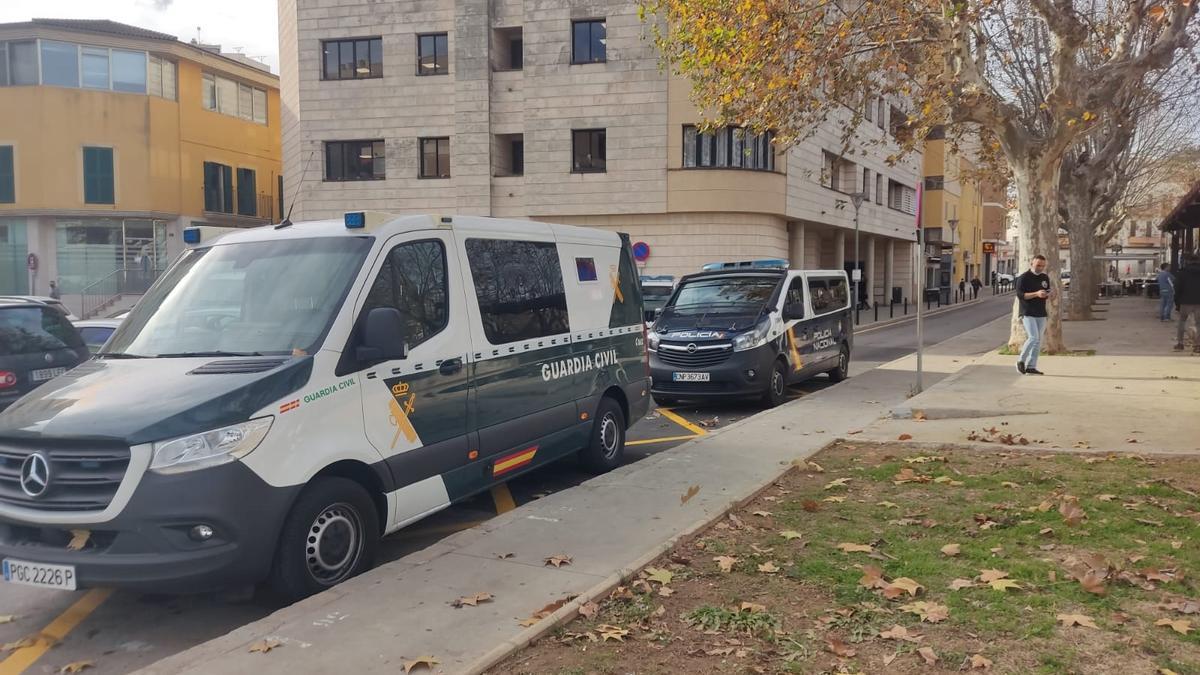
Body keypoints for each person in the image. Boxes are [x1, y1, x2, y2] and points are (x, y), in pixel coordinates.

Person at [1015, 255, 1052, 375]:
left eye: (1042, 265)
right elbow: (1021, 295)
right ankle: (1021, 360)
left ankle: (1031, 366)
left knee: (1038, 340)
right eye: (1038, 265)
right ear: (1032, 264)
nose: (1040, 268)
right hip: (1027, 312)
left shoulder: (1044, 277)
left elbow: (1047, 291)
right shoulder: (1023, 278)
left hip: (1041, 312)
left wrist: (1049, 294)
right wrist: (1036, 294)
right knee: (1033, 337)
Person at [1174, 253, 1200, 353]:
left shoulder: (1182, 272)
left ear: (1188, 262)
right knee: (1199, 324)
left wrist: (1177, 302)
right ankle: (1198, 345)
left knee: (1182, 321)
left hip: (1185, 301)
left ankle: (1180, 344)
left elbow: (1177, 288)